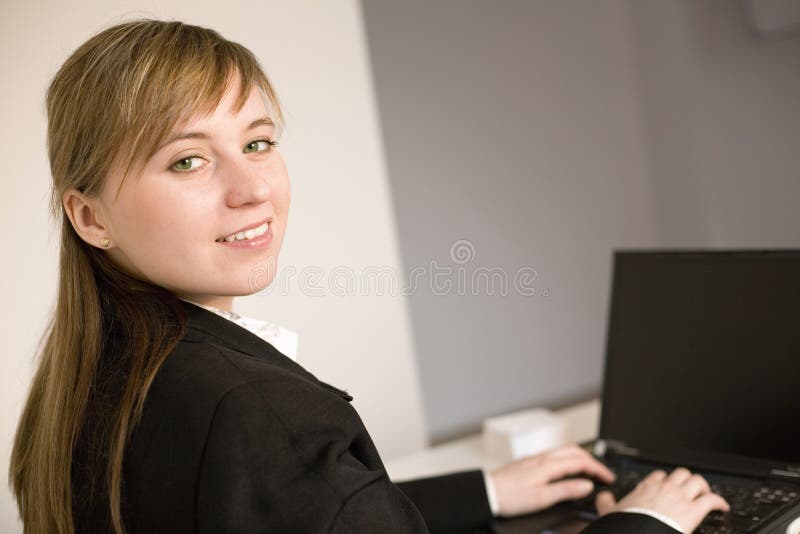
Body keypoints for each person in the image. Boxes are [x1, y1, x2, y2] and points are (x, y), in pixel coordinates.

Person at [8, 19, 730, 534]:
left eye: (258, 143)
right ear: (90, 216)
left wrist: (481, 491)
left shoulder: (89, 377)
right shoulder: (254, 411)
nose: (252, 188)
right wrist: (645, 523)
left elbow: (290, 508)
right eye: (188, 160)